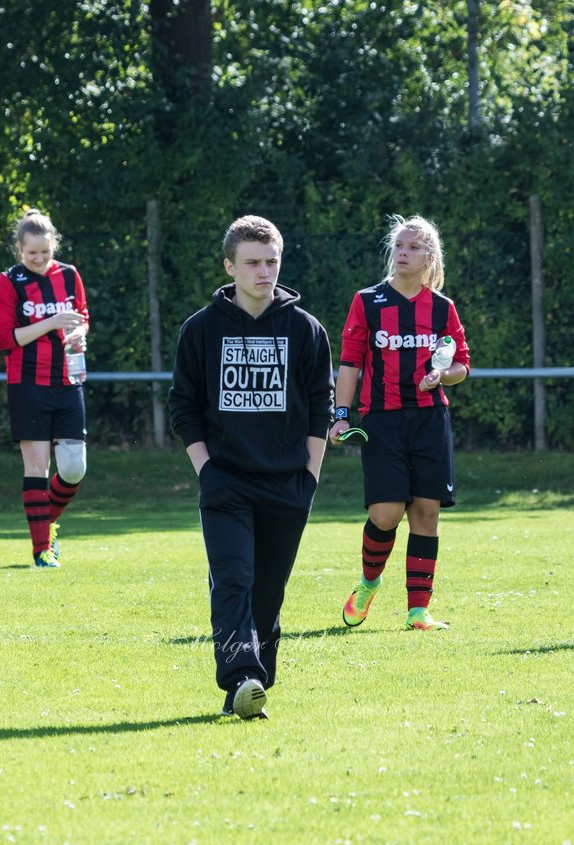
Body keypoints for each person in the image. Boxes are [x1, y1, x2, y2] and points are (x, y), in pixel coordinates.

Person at [169, 215, 334, 720]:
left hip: (288, 483)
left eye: (271, 261)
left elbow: (321, 407)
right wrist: (207, 469)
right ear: (229, 266)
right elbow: (184, 407)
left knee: (267, 594)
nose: (264, 272)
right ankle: (243, 678)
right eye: (252, 262)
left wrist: (310, 476)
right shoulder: (201, 329)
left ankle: (249, 685)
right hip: (226, 482)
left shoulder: (307, 330)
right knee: (234, 578)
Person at [330, 215, 470, 632]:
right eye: (399, 246)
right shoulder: (368, 301)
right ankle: (369, 582)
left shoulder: (442, 307)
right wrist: (341, 415)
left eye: (412, 247)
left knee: (426, 511)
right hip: (382, 420)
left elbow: (461, 364)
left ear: (430, 256)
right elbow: (351, 363)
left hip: (430, 418)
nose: (403, 253)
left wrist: (442, 376)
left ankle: (417, 611)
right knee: (387, 513)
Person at [0, 209, 89, 567]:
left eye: (45, 252)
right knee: (36, 466)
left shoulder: (69, 274)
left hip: (67, 381)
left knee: (75, 468)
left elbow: (82, 317)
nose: (40, 259)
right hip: (27, 383)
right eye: (33, 253)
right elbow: (5, 339)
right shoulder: (8, 282)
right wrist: (51, 322)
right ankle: (41, 550)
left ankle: (46, 522)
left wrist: (79, 333)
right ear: (20, 249)